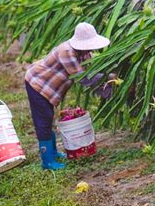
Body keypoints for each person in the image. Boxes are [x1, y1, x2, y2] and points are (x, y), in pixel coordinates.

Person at [24, 22, 113, 170]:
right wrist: (109, 80)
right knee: (43, 120)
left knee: (48, 118)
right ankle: (47, 161)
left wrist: (107, 86)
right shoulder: (67, 51)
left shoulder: (84, 53)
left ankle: (53, 153)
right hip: (37, 84)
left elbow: (90, 74)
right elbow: (83, 77)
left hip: (49, 88)